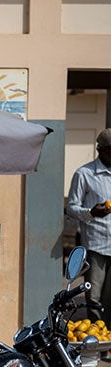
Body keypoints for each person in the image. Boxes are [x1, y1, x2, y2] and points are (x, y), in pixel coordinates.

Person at [66, 129, 111, 323]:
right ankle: (98, 340)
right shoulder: (84, 174)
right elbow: (71, 208)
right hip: (96, 245)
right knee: (94, 297)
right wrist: (91, 212)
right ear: (101, 150)